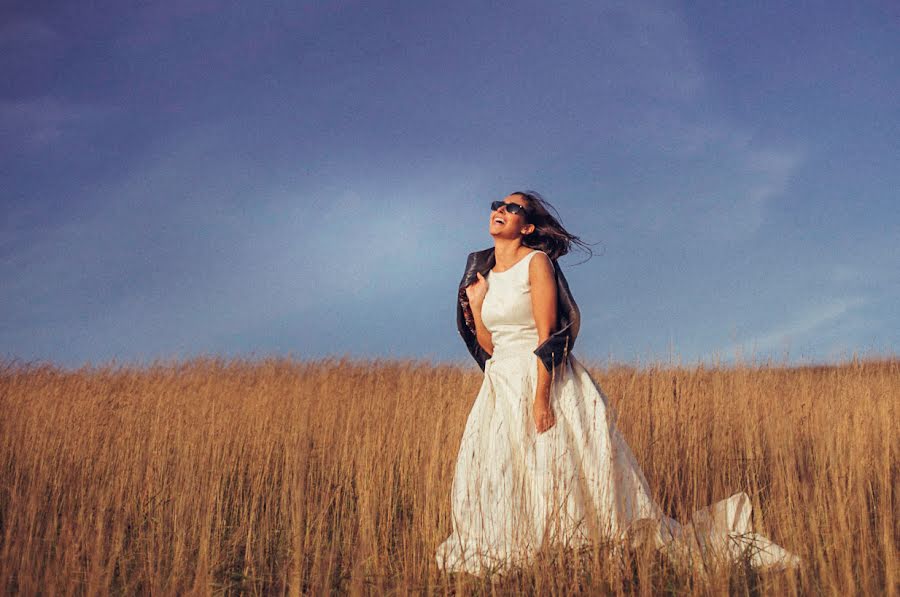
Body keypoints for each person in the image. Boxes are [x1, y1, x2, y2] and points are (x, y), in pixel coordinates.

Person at [435, 191, 799, 575]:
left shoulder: (536, 263)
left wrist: (542, 398)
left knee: (553, 469)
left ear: (526, 226)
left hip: (540, 378)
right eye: (497, 205)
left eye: (512, 208)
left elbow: (547, 336)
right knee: (500, 471)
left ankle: (572, 551)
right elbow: (492, 347)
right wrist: (476, 306)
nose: (500, 211)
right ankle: (525, 550)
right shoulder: (485, 275)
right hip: (499, 385)